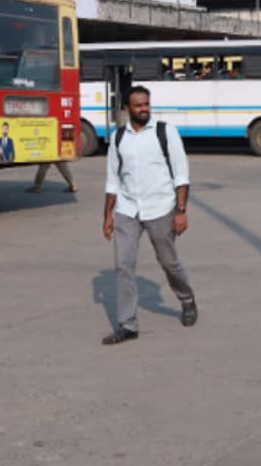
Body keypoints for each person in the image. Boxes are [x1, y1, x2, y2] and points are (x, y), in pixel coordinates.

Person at [101, 86, 196, 345]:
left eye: (146, 104)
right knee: (123, 266)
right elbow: (112, 180)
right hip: (127, 209)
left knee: (168, 262)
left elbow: (181, 174)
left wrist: (181, 211)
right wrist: (107, 215)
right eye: (138, 105)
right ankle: (127, 324)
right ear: (127, 109)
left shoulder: (166, 133)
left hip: (160, 208)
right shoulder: (119, 137)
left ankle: (187, 300)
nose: (144, 108)